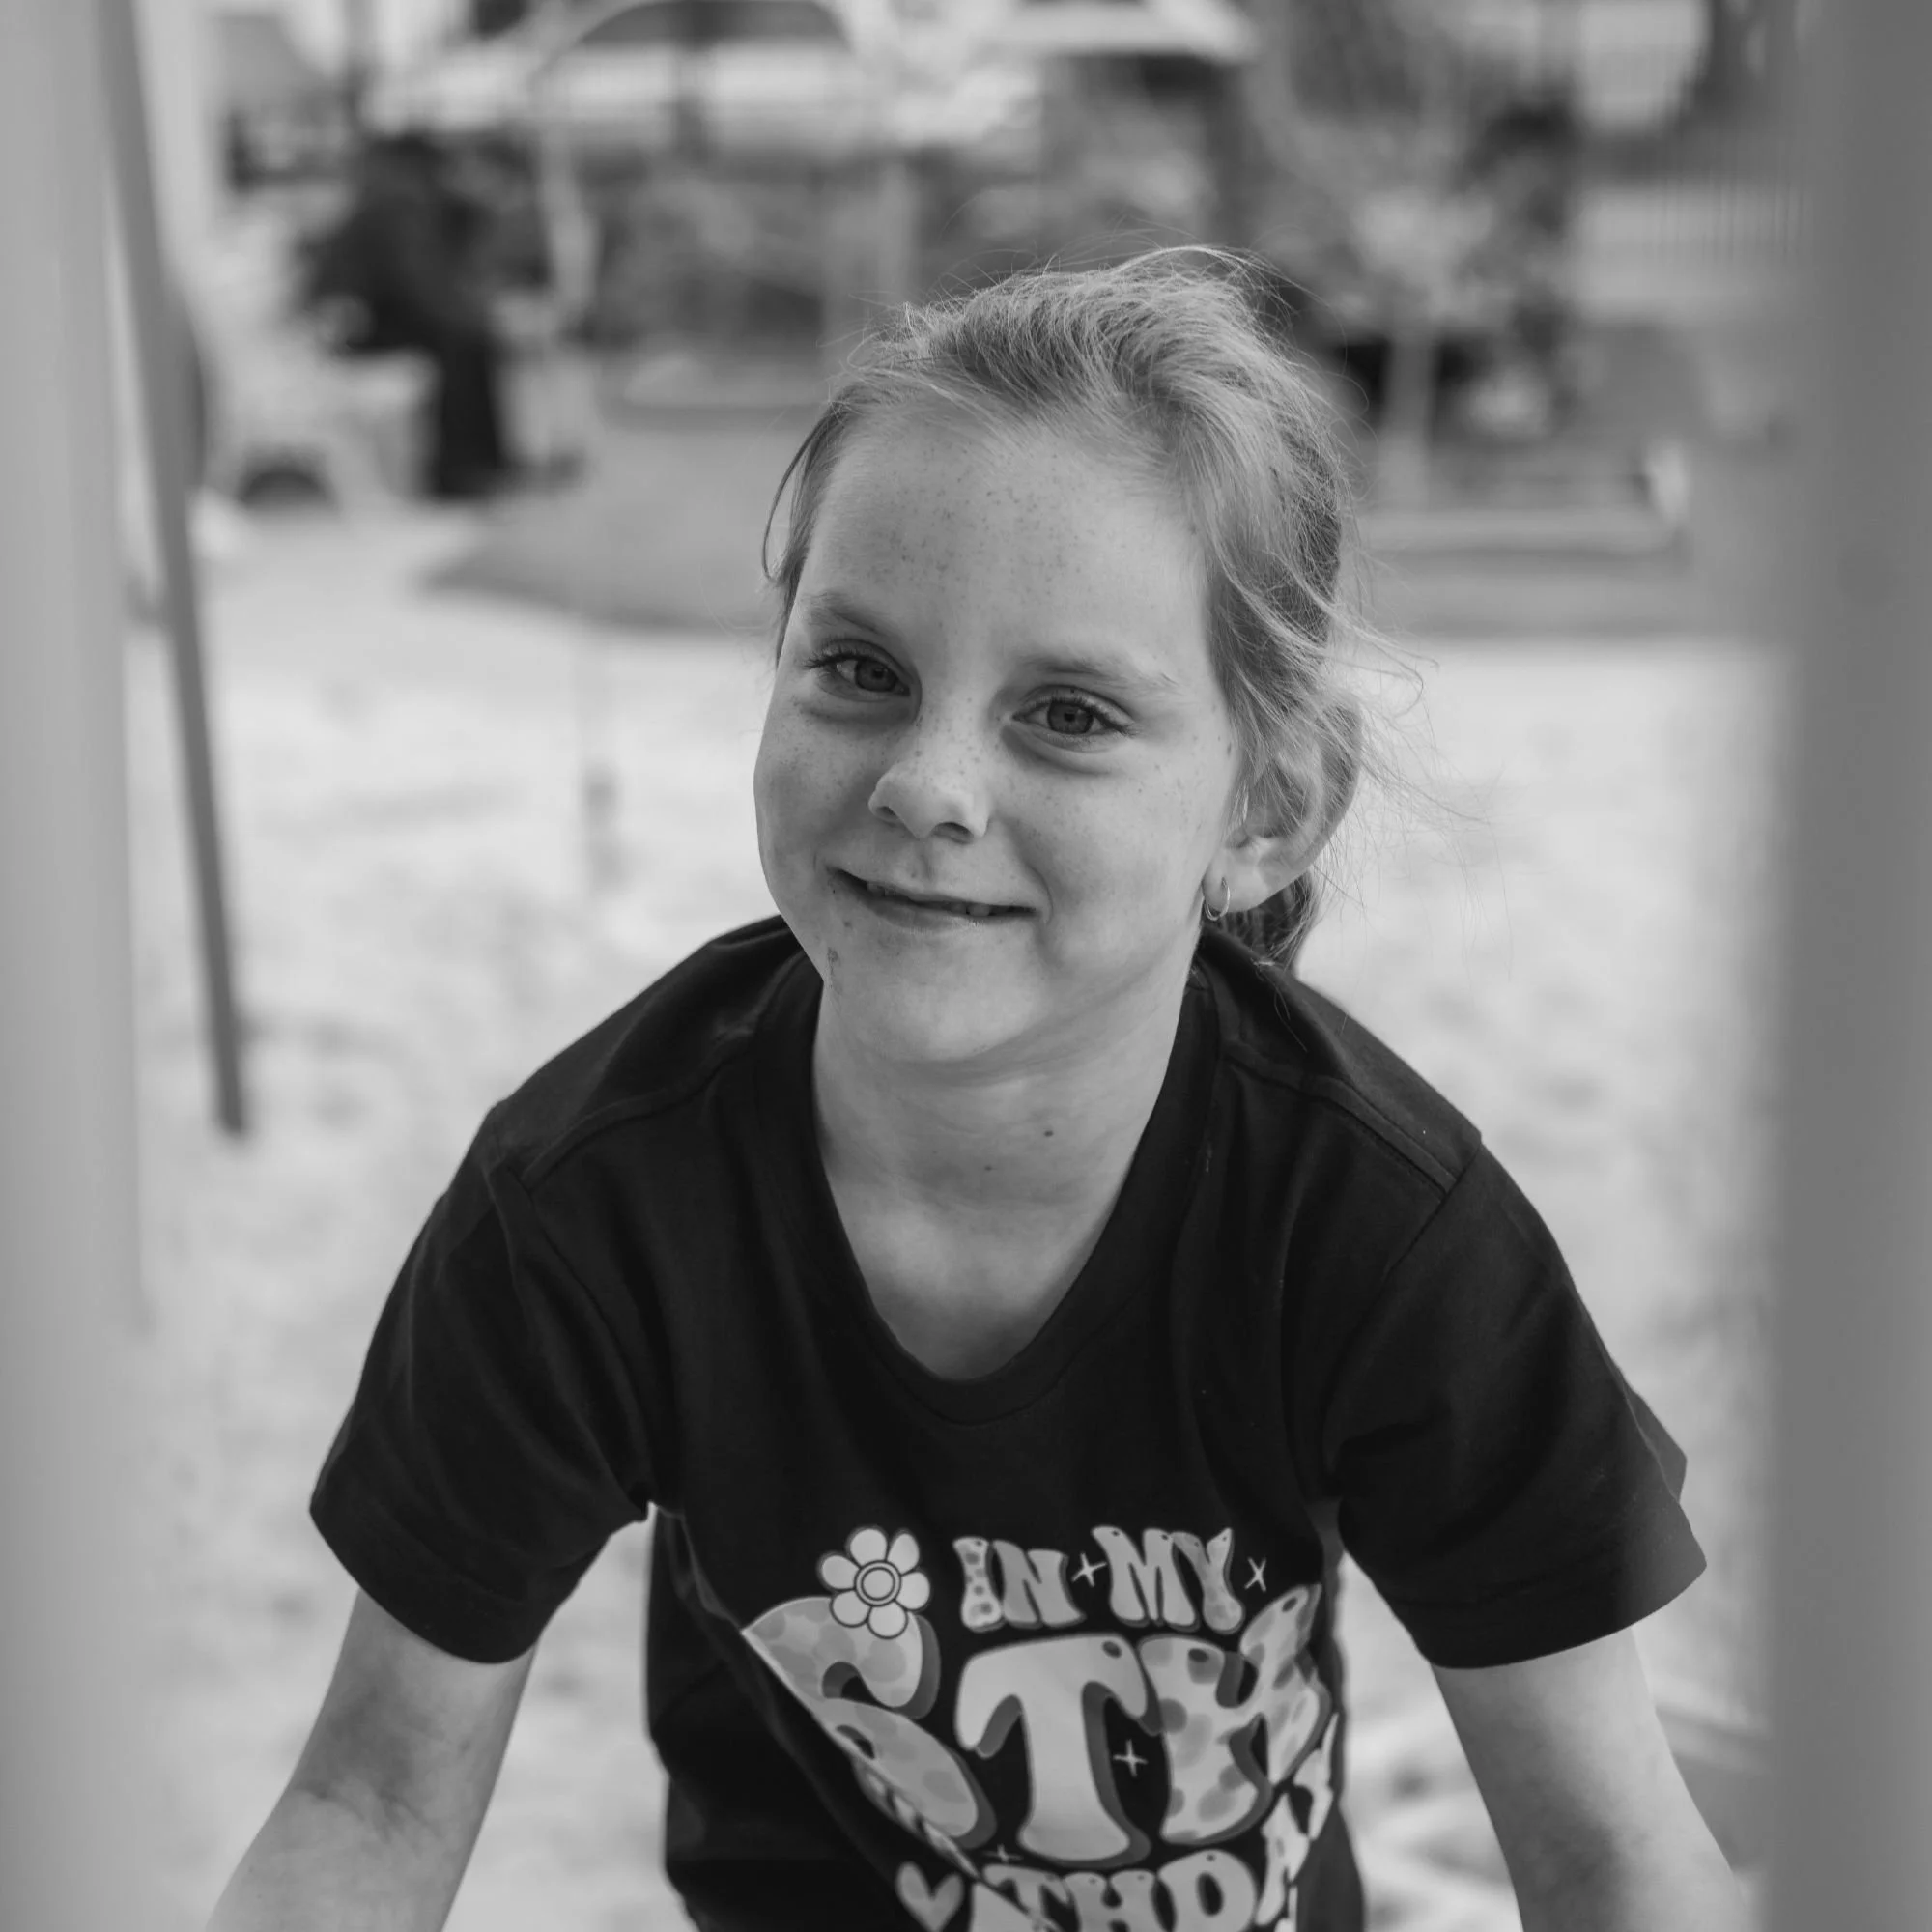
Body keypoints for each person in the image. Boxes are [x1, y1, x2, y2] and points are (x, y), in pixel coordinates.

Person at [209, 253, 1744, 1932]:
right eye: (860, 670)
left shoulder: (1382, 1229)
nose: (929, 785)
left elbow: (1609, 1857)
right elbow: (369, 1804)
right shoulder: (589, 1206)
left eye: (1069, 714)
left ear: (1269, 809)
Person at [301, 131, 518, 501]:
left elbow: (428, 282)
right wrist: (471, 316)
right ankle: (460, 470)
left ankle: (480, 465)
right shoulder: (401, 207)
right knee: (460, 342)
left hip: (373, 320)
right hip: (358, 331)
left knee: (467, 338)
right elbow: (417, 286)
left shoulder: (405, 203)